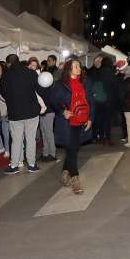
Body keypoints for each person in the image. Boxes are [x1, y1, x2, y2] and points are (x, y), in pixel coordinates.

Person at [48, 59, 94, 195]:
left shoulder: (85, 82)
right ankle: (75, 178)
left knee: (73, 149)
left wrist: (91, 118)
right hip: (67, 122)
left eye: (79, 65)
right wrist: (62, 112)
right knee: (72, 149)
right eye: (75, 66)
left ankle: (65, 172)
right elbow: (52, 101)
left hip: (82, 120)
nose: (79, 68)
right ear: (69, 69)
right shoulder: (60, 85)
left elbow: (91, 101)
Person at [0, 54, 42, 174]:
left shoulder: (6, 75)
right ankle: (32, 165)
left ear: (8, 63)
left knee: (16, 140)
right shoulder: (31, 73)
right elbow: (39, 89)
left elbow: (3, 92)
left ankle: (14, 165)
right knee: (31, 139)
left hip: (15, 113)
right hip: (32, 112)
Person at [93, 56, 121, 145]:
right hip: (109, 100)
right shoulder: (111, 73)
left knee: (100, 119)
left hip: (98, 100)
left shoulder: (97, 72)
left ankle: (100, 137)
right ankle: (107, 138)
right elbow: (116, 86)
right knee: (108, 120)